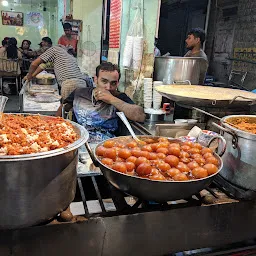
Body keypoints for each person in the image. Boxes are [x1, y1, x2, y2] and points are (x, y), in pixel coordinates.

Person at [58, 62, 146, 143]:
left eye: (113, 83)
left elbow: (140, 116)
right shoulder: (80, 93)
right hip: (77, 141)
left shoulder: (119, 98)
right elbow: (63, 108)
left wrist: (111, 99)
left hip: (106, 146)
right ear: (95, 80)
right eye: (104, 81)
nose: (108, 87)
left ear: (118, 83)